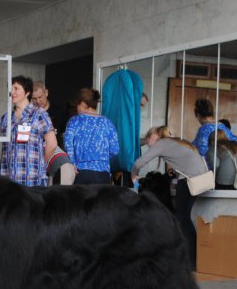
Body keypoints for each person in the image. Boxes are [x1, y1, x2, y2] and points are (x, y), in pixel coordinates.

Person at [131, 126, 208, 269]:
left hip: (189, 181)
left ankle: (191, 260)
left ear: (153, 137)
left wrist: (133, 175)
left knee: (182, 219)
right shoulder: (176, 141)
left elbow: (139, 163)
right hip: (199, 179)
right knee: (184, 218)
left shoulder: (161, 143)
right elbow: (186, 163)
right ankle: (192, 259)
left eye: (148, 143)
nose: (149, 146)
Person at [0, 75, 57, 187]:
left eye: (16, 88)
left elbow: (52, 144)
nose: (12, 92)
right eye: (10, 89)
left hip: (32, 180)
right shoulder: (6, 118)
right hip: (9, 180)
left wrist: (41, 163)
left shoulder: (39, 114)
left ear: (27, 92)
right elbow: (5, 149)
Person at [63, 87, 119, 185]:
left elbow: (68, 146)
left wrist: (73, 163)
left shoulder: (75, 121)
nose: (77, 108)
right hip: (103, 174)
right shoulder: (107, 123)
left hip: (80, 172)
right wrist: (101, 157)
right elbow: (115, 150)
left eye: (77, 105)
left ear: (83, 104)